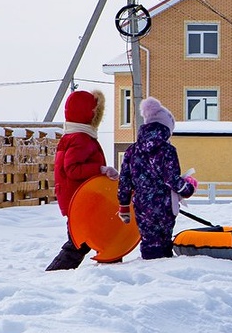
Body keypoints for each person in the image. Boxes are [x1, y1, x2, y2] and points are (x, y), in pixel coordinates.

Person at [116, 97, 199, 260]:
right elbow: (171, 179)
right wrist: (188, 188)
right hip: (164, 205)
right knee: (163, 241)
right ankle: (163, 271)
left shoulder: (131, 151)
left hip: (142, 205)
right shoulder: (167, 150)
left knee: (149, 241)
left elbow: (124, 181)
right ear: (166, 129)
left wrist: (124, 206)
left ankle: (150, 268)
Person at [45, 89, 117, 271]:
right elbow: (72, 169)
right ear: (91, 114)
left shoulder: (73, 136)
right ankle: (55, 273)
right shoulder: (81, 139)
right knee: (80, 243)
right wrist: (100, 169)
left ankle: (112, 266)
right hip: (79, 201)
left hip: (78, 199)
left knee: (90, 238)